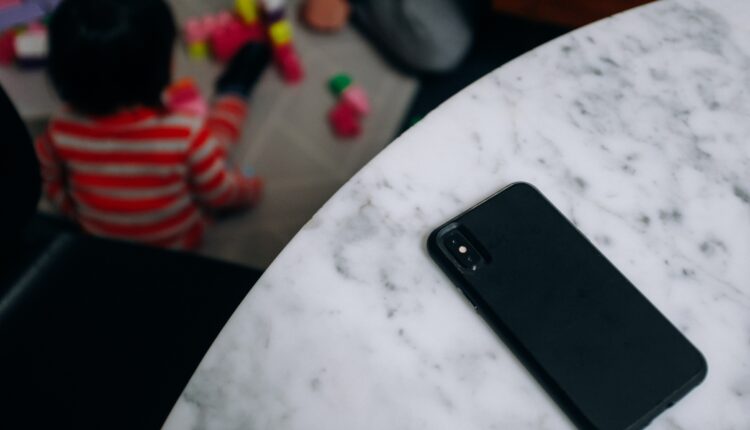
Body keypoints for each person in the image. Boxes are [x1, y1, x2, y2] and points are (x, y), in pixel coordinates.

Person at [35, 0, 270, 249]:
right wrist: (251, 188)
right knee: (217, 137)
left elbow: (46, 178)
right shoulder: (185, 131)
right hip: (178, 244)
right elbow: (219, 194)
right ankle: (235, 89)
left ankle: (238, 82)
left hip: (101, 242)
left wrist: (72, 211)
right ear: (163, 65)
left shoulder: (60, 127)